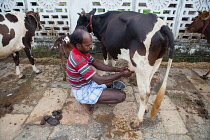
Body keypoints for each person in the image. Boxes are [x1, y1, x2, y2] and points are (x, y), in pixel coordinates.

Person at [66, 28, 133, 114]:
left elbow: (96, 63)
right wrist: (122, 74)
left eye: (91, 44)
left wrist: (118, 69)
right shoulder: (78, 59)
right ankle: (86, 101)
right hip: (83, 91)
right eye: (88, 45)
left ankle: (97, 96)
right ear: (79, 45)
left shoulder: (81, 51)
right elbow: (99, 80)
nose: (91, 47)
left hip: (88, 83)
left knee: (116, 80)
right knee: (121, 96)